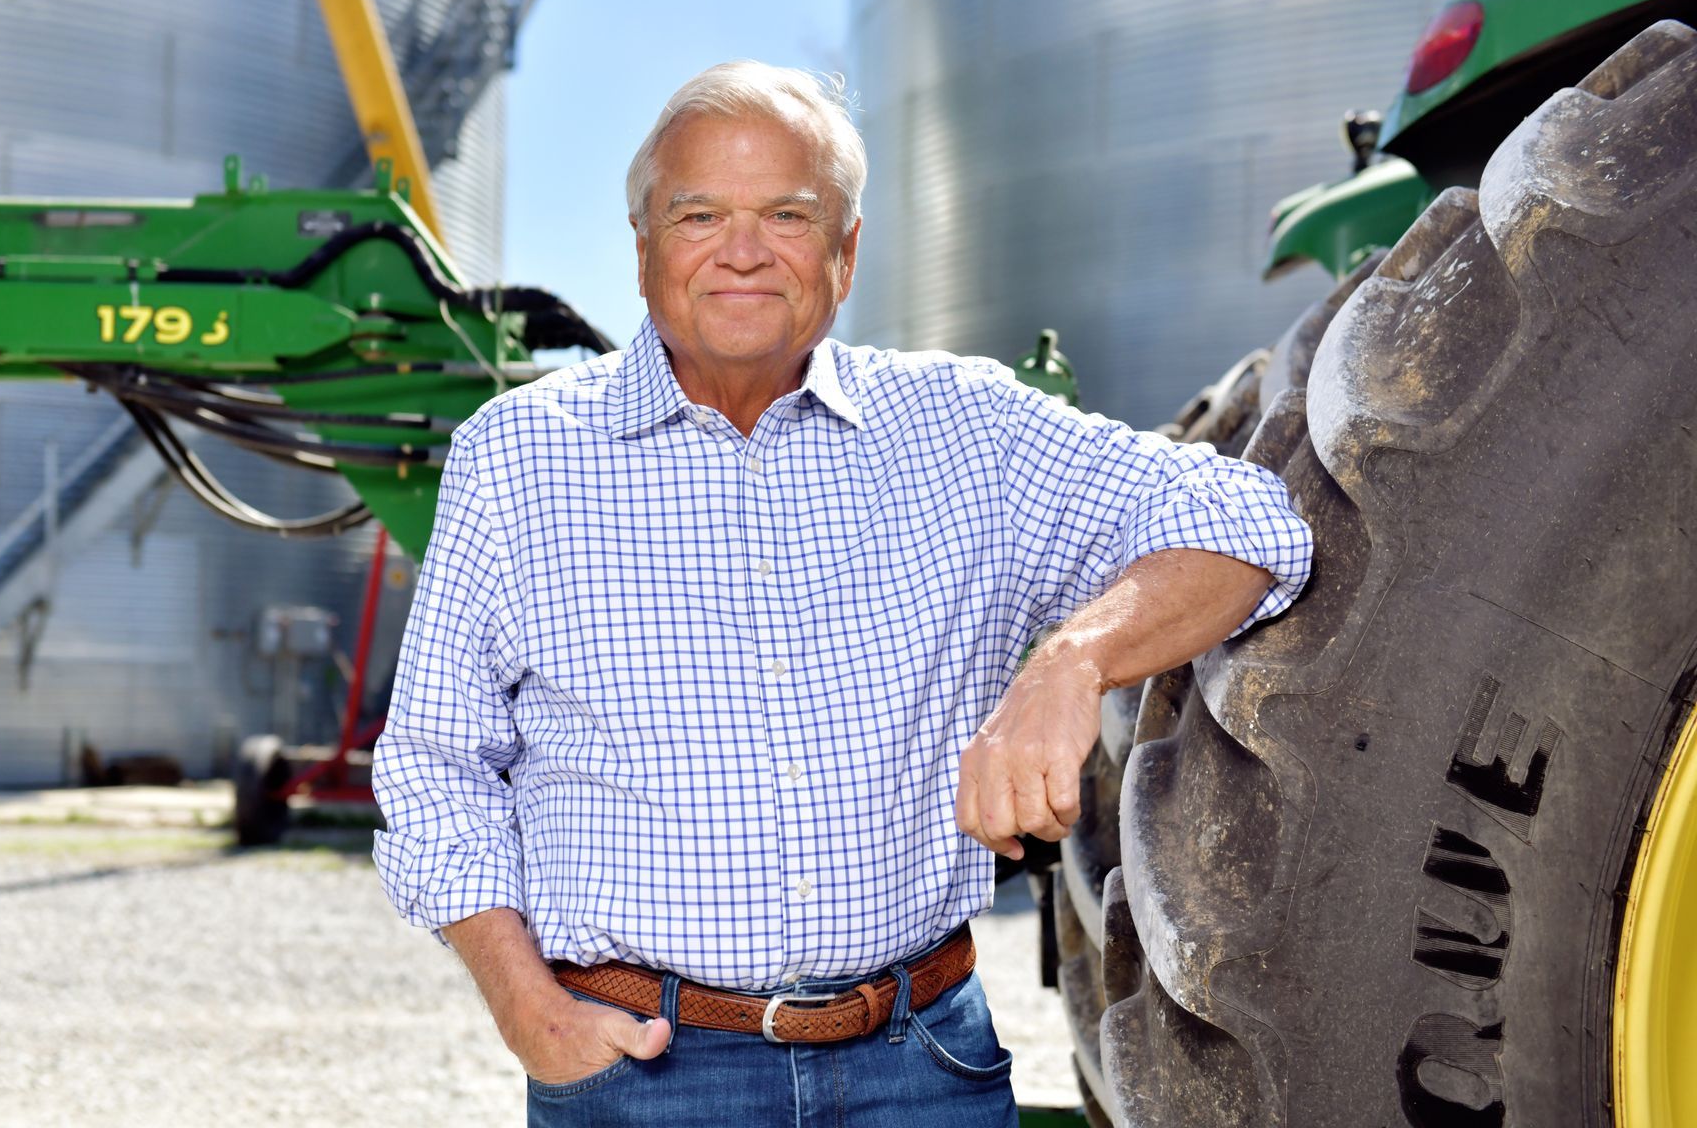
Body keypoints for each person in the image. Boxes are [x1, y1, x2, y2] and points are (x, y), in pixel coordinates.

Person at [372, 61, 1313, 1126]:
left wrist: (1073, 659)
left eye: (788, 214)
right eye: (699, 215)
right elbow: (435, 767)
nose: (743, 250)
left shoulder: (966, 429)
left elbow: (1249, 518)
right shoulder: (517, 458)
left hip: (920, 1068)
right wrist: (528, 1009)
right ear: (642, 247)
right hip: (645, 1073)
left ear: (846, 250)